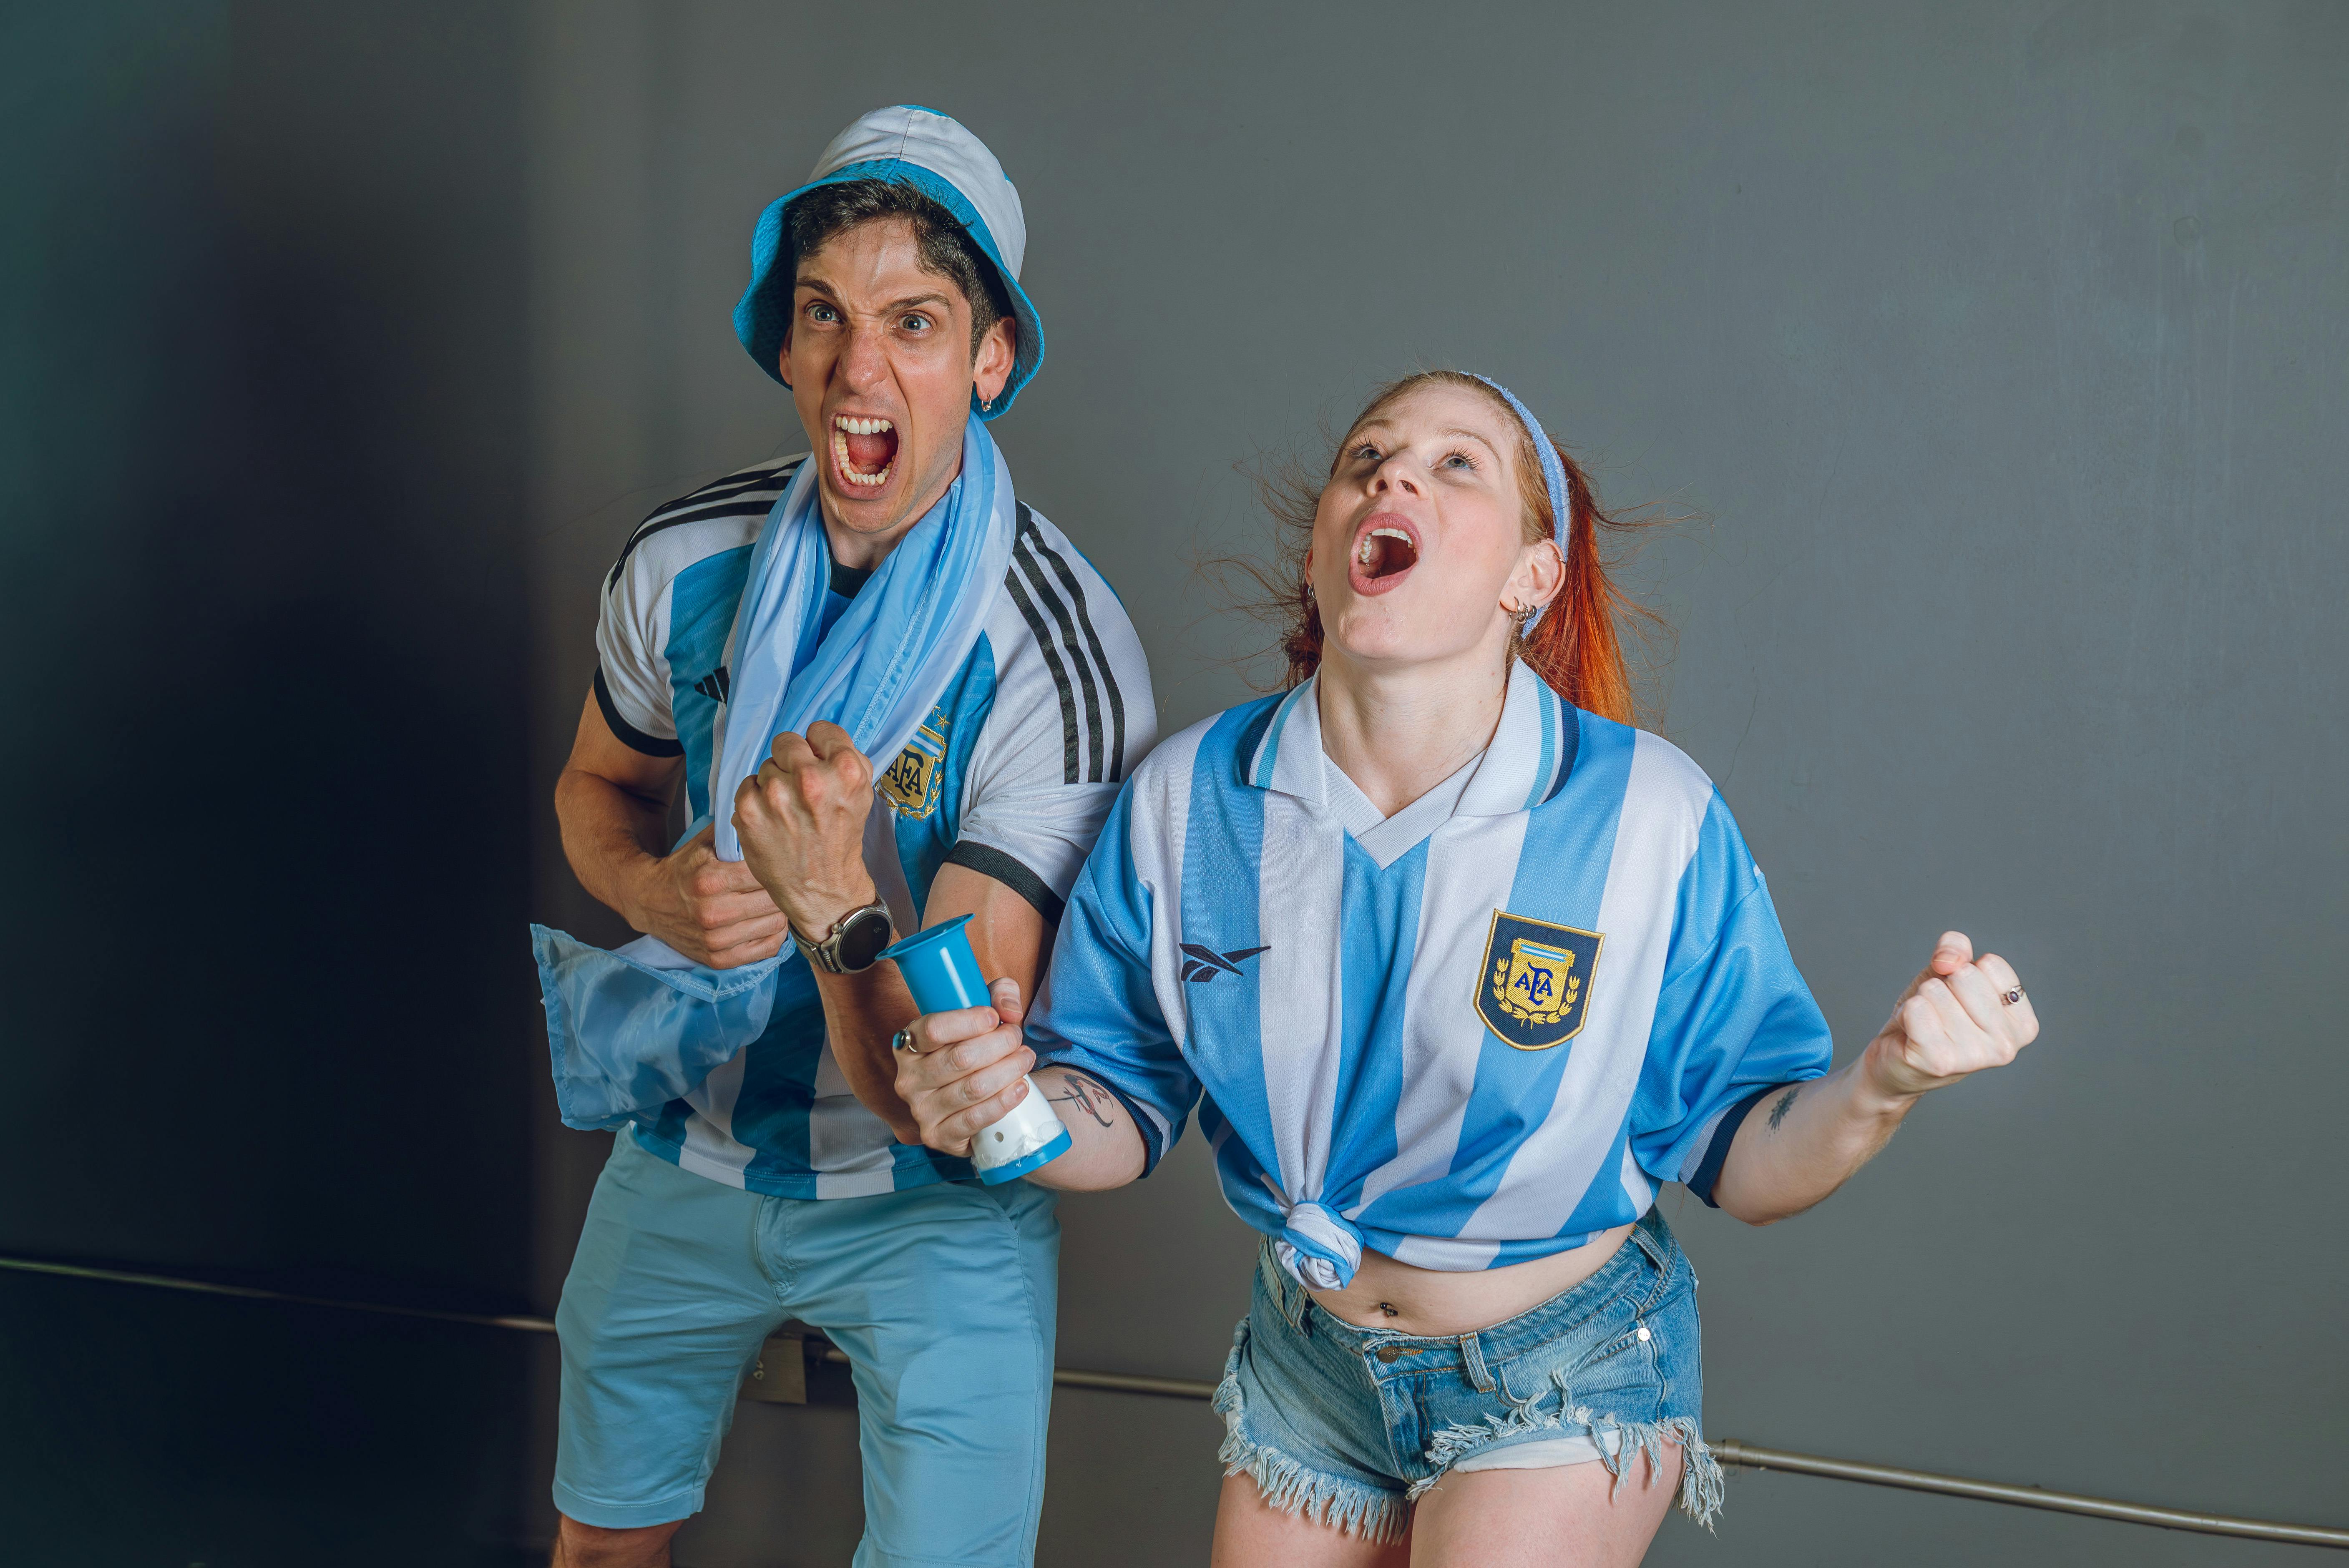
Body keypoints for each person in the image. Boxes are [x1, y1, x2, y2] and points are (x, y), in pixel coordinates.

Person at [892, 370, 2037, 1566]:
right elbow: (1116, 1106)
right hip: (1308, 1363)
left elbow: (1746, 1153)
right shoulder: (1182, 801)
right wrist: (1001, 1106)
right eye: (1366, 459)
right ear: (1325, 552)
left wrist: (1885, 1085)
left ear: (1530, 579)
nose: (1392, 474)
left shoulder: (1652, 816)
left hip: (1562, 1364)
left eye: (1456, 466)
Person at [534, 106, 1154, 1568]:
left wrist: (827, 903)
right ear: (786, 340)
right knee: (598, 1546)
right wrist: (651, 891)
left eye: (915, 322)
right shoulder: (680, 561)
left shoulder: (1058, 663)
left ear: (992, 361)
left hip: (930, 1199)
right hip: (686, 1141)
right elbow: (594, 790)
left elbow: (944, 1089)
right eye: (825, 315)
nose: (858, 369)